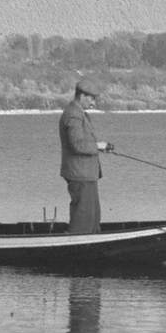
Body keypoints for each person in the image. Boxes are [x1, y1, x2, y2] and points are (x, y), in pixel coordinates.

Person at [58, 78, 113, 234]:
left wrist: (100, 147)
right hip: (80, 174)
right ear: (82, 95)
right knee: (83, 221)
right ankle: (74, 250)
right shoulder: (73, 114)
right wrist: (98, 146)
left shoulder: (80, 114)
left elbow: (84, 142)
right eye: (91, 98)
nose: (93, 103)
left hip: (87, 174)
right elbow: (77, 145)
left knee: (93, 218)